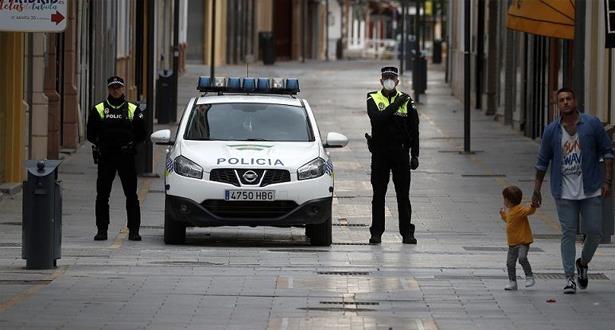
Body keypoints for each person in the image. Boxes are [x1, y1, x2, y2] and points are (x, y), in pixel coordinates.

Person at [533, 87, 614, 294]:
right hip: (564, 191)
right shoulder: (551, 130)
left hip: (591, 188)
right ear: (557, 105)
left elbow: (608, 152)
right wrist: (536, 190)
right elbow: (542, 162)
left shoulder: (592, 124)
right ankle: (569, 278)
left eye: (569, 98)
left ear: (575, 101)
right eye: (561, 100)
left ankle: (583, 263)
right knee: (568, 233)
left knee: (595, 232)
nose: (566, 102)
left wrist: (607, 181)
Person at [87, 76, 147, 241]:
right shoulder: (99, 109)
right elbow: (90, 134)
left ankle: (134, 231)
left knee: (131, 195)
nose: (115, 90)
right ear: (108, 89)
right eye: (113, 87)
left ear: (123, 89)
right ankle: (102, 230)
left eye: (118, 87)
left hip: (126, 157)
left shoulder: (132, 109)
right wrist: (101, 144)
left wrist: (132, 145)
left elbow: (142, 133)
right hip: (106, 157)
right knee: (102, 195)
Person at [366, 66, 419, 245]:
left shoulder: (408, 100)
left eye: (392, 77)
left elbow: (414, 130)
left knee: (403, 195)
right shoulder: (372, 97)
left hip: (401, 154)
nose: (389, 80)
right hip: (380, 153)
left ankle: (407, 233)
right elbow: (378, 119)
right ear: (381, 81)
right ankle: (376, 233)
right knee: (378, 196)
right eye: (386, 77)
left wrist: (415, 154)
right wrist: (396, 104)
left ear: (397, 81)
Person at [499, 186, 536, 291]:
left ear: (509, 200)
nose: (503, 201)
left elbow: (529, 211)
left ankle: (529, 276)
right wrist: (503, 215)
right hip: (512, 243)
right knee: (510, 263)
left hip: (523, 241)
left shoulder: (519, 209)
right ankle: (512, 282)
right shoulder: (510, 210)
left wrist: (533, 206)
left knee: (522, 258)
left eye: (504, 198)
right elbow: (509, 221)